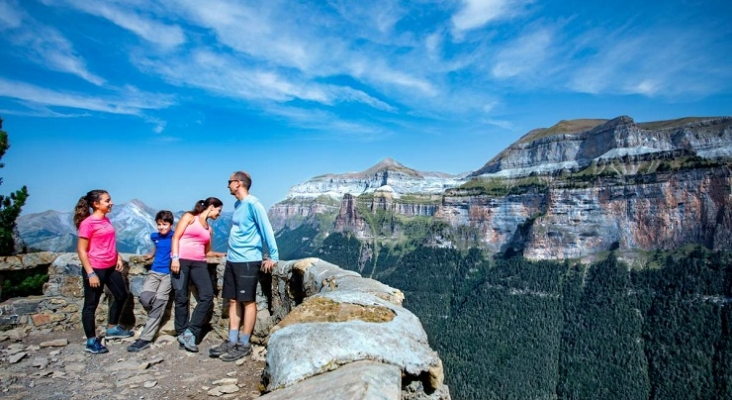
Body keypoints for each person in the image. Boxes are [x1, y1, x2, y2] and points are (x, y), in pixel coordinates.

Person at [209, 171, 278, 362]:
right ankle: (232, 340)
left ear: (238, 183)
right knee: (232, 300)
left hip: (248, 260)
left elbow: (266, 229)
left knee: (248, 301)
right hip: (233, 259)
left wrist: (274, 256)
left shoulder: (253, 204)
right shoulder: (238, 205)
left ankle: (244, 343)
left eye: (229, 182)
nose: (227, 185)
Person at [74, 189, 134, 354]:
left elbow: (107, 243)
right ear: (96, 204)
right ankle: (91, 341)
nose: (111, 203)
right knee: (90, 306)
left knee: (121, 294)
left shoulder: (106, 220)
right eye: (107, 200)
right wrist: (91, 273)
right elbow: (81, 250)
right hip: (95, 268)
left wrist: (118, 257)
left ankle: (112, 328)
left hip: (110, 266)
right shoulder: (88, 223)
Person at [171, 197, 226, 352]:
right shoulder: (189, 217)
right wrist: (175, 258)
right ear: (211, 207)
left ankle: (191, 331)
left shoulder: (209, 229)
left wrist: (224, 255)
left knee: (207, 296)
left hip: (199, 263)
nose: (219, 214)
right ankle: (181, 333)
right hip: (181, 261)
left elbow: (207, 251)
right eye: (219, 210)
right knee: (181, 297)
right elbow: (176, 237)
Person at [127, 210, 175, 352]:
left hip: (168, 274)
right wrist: (151, 254)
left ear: (170, 225)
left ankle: (145, 338)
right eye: (159, 224)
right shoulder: (155, 236)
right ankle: (156, 312)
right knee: (145, 297)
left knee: (159, 303)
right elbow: (158, 246)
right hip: (154, 272)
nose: (161, 227)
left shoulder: (175, 237)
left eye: (164, 224)